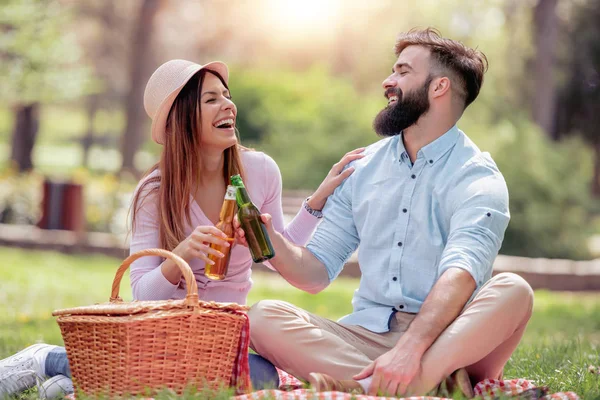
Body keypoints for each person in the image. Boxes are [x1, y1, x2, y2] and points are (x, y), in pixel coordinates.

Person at [0, 59, 362, 398]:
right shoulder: (155, 191)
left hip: (222, 337)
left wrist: (317, 201)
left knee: (261, 376)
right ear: (182, 117)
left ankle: (81, 376)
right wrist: (182, 255)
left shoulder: (260, 171)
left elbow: (277, 256)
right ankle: (46, 358)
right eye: (211, 99)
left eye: (227, 96)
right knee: (173, 366)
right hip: (163, 335)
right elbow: (142, 293)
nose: (228, 106)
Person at [240, 28, 534, 398]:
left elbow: (461, 275)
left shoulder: (478, 178)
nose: (388, 80)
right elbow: (315, 272)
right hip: (364, 338)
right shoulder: (362, 168)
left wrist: (410, 349)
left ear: (438, 87)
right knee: (263, 316)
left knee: (515, 291)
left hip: (449, 341)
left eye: (403, 71)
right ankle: (421, 389)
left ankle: (389, 384)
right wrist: (270, 242)